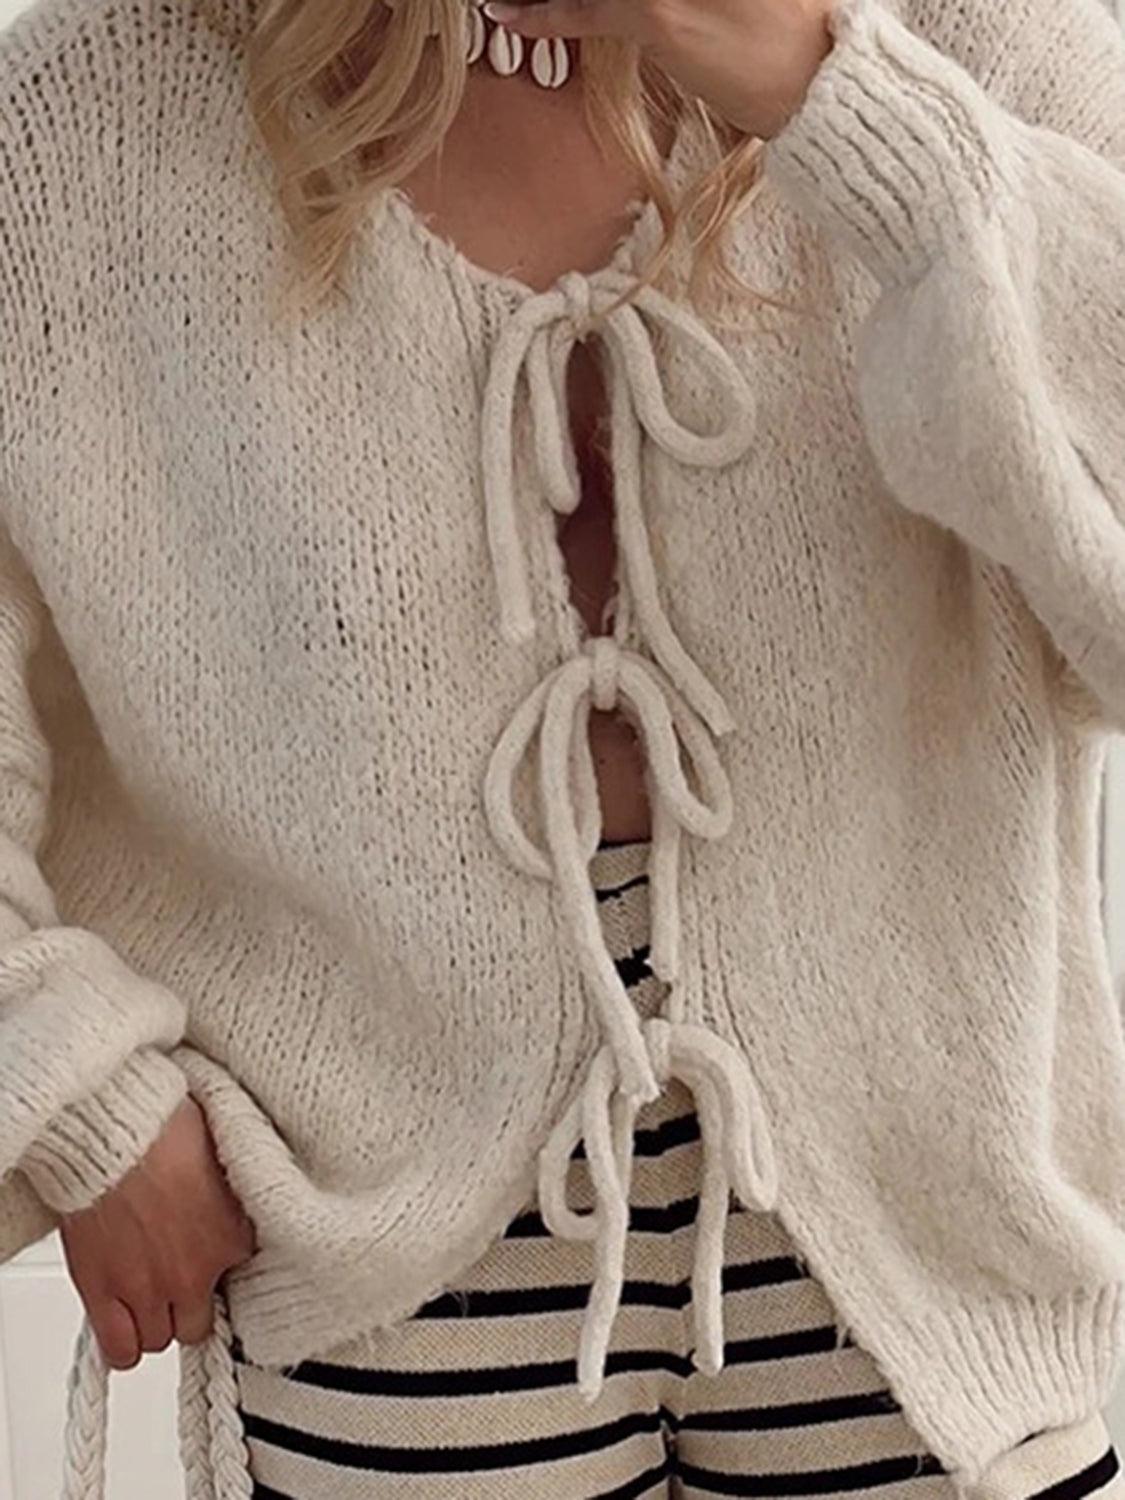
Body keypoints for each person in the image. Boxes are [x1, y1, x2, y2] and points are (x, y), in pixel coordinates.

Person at [1, 0, 1125, 1493]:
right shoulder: (79, 116)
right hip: (394, 1251)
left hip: (932, 1233)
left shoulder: (982, 38)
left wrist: (841, 99)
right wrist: (72, 1084)